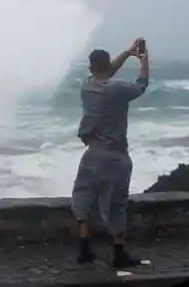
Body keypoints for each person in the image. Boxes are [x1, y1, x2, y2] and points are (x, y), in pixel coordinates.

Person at [71, 37, 150, 268]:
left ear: (90, 68)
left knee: (85, 196)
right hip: (115, 156)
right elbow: (141, 84)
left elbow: (106, 72)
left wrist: (126, 53)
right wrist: (143, 59)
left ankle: (84, 249)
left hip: (92, 153)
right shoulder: (118, 89)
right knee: (116, 203)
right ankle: (118, 253)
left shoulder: (87, 86)